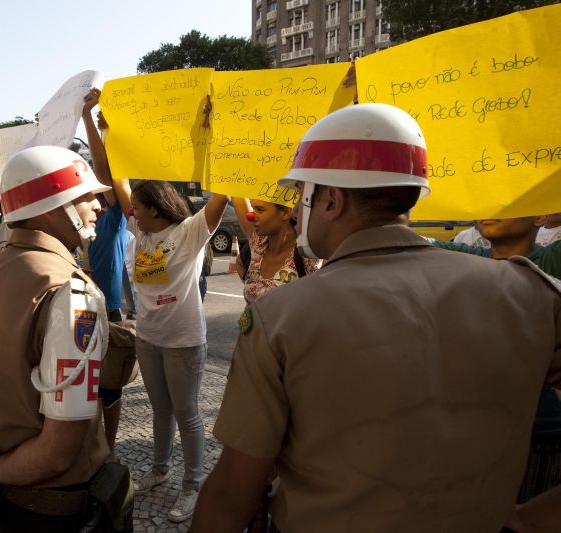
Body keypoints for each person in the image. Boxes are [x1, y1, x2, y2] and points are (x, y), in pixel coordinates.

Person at [190, 103, 561, 533]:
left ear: (331, 199)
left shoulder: (281, 317)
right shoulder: (529, 293)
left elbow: (234, 494)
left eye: (301, 196)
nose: (296, 212)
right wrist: (530, 521)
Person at [0, 146, 132, 532]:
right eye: (84, 197)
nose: (96, 206)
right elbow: (59, 450)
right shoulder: (72, 295)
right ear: (53, 206)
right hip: (58, 509)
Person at [431, 218, 561, 504]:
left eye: (508, 200)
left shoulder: (552, 259)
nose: (492, 208)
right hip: (479, 435)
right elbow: (413, 244)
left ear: (539, 216)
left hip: (542, 437)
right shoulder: (471, 259)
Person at [122, 176, 228, 522]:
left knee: (186, 413)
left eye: (137, 206)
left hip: (183, 342)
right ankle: (160, 469)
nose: (131, 211)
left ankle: (193, 485)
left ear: (153, 208)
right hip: (148, 338)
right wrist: (100, 129)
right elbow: (116, 176)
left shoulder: (188, 233)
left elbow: (222, 197)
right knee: (160, 409)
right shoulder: (142, 233)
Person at [82, 88, 132, 453]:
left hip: (110, 314)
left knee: (108, 388)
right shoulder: (73, 225)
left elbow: (106, 172)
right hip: (79, 312)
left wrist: (93, 124)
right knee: (83, 387)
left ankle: (107, 450)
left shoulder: (112, 217)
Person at [233, 197, 321, 304]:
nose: (251, 216)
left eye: (260, 210)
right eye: (253, 208)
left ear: (286, 212)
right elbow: (237, 195)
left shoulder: (308, 252)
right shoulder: (258, 243)